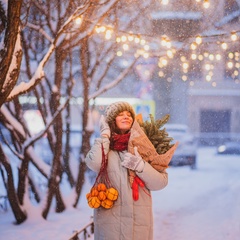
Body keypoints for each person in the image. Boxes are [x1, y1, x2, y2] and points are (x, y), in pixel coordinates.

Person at [85, 101, 168, 240]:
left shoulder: (144, 146)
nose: (126, 117)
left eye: (129, 114)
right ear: (111, 121)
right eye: (120, 114)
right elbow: (93, 163)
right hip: (111, 227)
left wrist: (141, 166)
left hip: (139, 225)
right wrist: (105, 136)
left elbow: (160, 183)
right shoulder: (105, 148)